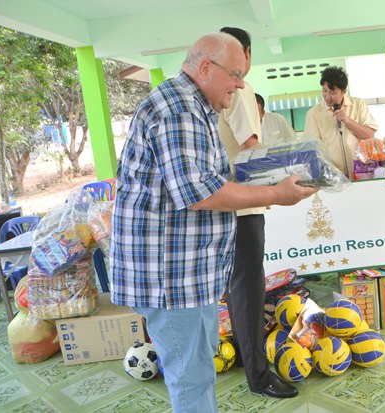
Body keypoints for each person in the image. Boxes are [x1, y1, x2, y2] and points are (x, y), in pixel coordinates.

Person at [110, 32, 317, 413]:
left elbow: (211, 179)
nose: (241, 84)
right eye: (235, 74)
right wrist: (276, 194)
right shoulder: (178, 110)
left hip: (190, 275)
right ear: (206, 67)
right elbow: (201, 192)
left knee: (198, 371)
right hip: (170, 277)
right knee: (192, 382)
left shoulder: (195, 107)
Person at [217, 27, 298, 399]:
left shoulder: (214, 90)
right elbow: (251, 146)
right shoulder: (241, 88)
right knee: (248, 286)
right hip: (243, 202)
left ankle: (244, 357)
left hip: (222, 201)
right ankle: (259, 375)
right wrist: (289, 180)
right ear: (246, 53)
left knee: (237, 286)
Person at [303, 66, 378, 177]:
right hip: (333, 176)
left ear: (344, 91)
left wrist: (347, 120)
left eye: (332, 92)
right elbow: (311, 149)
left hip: (362, 171)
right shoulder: (314, 113)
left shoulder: (358, 104)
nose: (327, 96)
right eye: (324, 91)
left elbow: (369, 135)